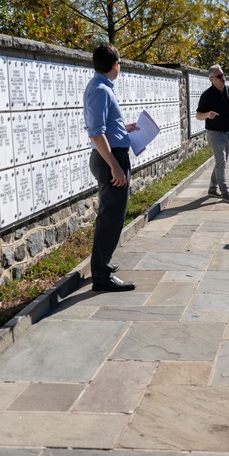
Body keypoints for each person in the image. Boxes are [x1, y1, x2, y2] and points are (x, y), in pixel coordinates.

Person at [84, 44, 140, 291]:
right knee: (111, 218)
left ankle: (102, 266)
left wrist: (123, 129)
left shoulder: (100, 87)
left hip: (111, 154)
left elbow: (105, 129)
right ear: (115, 64)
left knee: (112, 216)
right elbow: (96, 135)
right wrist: (116, 167)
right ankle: (101, 276)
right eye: (120, 62)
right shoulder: (100, 90)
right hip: (110, 159)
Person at [196, 64, 229, 203]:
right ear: (211, 79)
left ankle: (212, 189)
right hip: (215, 134)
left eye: (223, 75)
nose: (223, 78)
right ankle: (225, 192)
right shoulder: (207, 95)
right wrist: (208, 114)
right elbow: (198, 115)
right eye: (219, 76)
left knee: (222, 161)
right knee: (221, 162)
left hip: (228, 133)